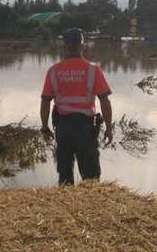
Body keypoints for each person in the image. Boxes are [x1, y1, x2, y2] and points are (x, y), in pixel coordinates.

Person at [40, 28, 114, 185]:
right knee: (91, 177)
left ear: (64, 46)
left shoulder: (54, 71)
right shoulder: (94, 70)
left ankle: (66, 206)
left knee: (65, 176)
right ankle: (90, 206)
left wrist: (45, 128)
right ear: (83, 46)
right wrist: (108, 127)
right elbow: (104, 101)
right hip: (85, 129)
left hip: (63, 128)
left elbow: (45, 101)